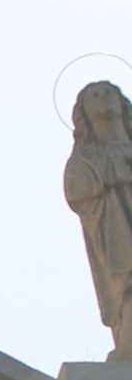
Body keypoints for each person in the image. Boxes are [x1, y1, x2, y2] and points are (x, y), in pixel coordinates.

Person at [64, 79, 132, 358]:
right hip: (115, 222)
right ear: (84, 113)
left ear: (122, 105)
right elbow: (77, 189)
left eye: (108, 93)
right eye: (94, 96)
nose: (102, 98)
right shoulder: (85, 157)